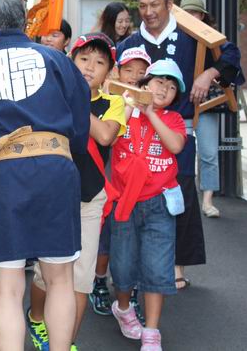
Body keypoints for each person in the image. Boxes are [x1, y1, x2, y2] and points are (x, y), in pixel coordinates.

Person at [0, 0, 91, 351]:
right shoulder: (57, 60)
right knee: (60, 278)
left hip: (1, 177)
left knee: (7, 287)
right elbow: (80, 123)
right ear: (25, 20)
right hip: (54, 169)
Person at [117, 0, 244, 290]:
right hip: (135, 136)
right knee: (134, 200)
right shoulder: (129, 45)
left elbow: (230, 56)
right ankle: (133, 268)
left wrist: (208, 74)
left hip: (177, 132)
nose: (148, 12)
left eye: (155, 5)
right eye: (142, 6)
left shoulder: (193, 37)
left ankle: (176, 266)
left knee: (180, 196)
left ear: (169, 4)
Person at [28, 33, 126, 351]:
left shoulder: (114, 103)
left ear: (109, 71)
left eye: (99, 62)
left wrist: (73, 99)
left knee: (80, 280)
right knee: (44, 275)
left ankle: (66, 342)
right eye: (83, 59)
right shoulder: (49, 94)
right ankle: (36, 317)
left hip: (90, 198)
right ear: (70, 61)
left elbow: (106, 136)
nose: (90, 67)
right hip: (52, 196)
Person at [110, 60, 188, 351]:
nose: (164, 89)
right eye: (159, 82)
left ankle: (152, 331)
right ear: (144, 84)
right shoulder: (125, 109)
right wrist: (130, 105)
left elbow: (176, 146)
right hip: (125, 201)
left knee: (158, 268)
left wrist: (152, 113)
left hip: (160, 203)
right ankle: (123, 307)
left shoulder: (173, 119)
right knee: (123, 265)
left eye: (171, 87)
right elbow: (110, 137)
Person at [89, 46, 152, 319]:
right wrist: (126, 106)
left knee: (133, 240)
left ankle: (130, 288)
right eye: (129, 70)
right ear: (116, 71)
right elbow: (110, 138)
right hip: (110, 181)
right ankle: (99, 280)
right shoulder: (110, 100)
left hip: (136, 186)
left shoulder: (149, 104)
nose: (134, 76)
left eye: (141, 72)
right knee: (105, 237)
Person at [179, 0, 221, 218]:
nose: (190, 17)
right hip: (178, 105)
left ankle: (207, 200)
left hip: (205, 105)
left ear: (202, 16)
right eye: (186, 13)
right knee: (176, 150)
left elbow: (230, 59)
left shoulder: (212, 38)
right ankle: (181, 196)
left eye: (194, 13)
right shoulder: (172, 37)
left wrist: (210, 74)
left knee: (208, 153)